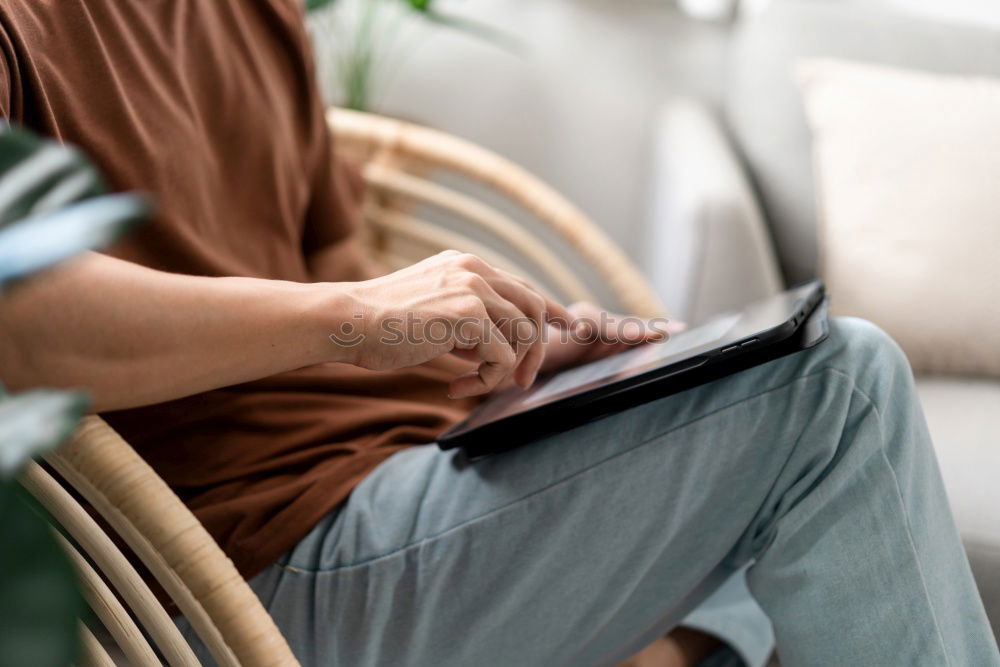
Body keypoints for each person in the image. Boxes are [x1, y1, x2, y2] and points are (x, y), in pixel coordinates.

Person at [0, 1, 995, 665]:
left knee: (755, 417)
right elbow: (21, 320)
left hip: (421, 477)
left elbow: (329, 259)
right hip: (239, 575)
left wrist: (509, 357)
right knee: (839, 393)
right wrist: (364, 321)